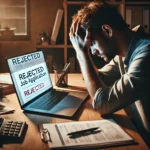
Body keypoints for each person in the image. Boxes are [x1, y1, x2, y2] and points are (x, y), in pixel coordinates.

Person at [69, 1, 150, 147]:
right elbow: (96, 79)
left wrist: (82, 54)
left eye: (92, 43)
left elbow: (102, 104)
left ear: (107, 30)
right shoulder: (124, 52)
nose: (92, 51)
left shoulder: (146, 54)